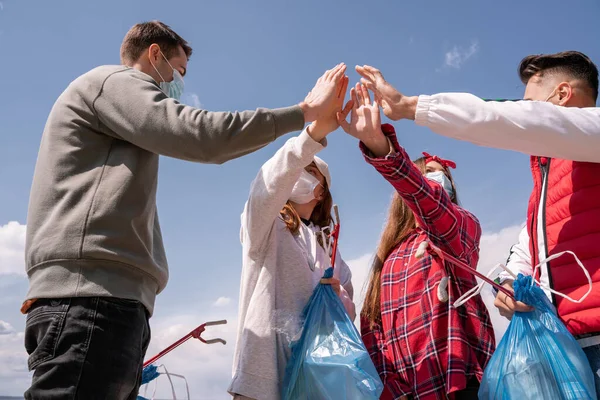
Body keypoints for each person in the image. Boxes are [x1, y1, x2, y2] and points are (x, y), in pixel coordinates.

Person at [22, 20, 349, 399]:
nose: (179, 84)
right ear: (154, 55)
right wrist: (304, 113)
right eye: (179, 71)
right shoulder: (112, 83)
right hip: (90, 298)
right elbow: (206, 138)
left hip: (108, 300)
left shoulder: (119, 135)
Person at [354, 51, 600, 394]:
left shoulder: (595, 132)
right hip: (566, 344)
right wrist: (508, 284)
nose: (522, 110)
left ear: (561, 95)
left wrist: (412, 108)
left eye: (528, 104)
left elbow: (500, 120)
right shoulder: (543, 187)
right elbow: (526, 252)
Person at [337, 84, 495, 399]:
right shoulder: (389, 256)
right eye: (430, 175)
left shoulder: (459, 230)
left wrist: (380, 147)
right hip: (406, 391)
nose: (438, 184)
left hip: (459, 382)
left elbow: (428, 201)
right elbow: (374, 331)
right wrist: (392, 388)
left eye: (443, 179)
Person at [228, 75, 356, 400]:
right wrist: (311, 136)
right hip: (264, 380)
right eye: (299, 166)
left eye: (309, 169)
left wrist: (339, 294)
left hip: (313, 380)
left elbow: (348, 313)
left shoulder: (328, 247)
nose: (299, 171)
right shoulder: (265, 224)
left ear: (321, 188)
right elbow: (269, 182)